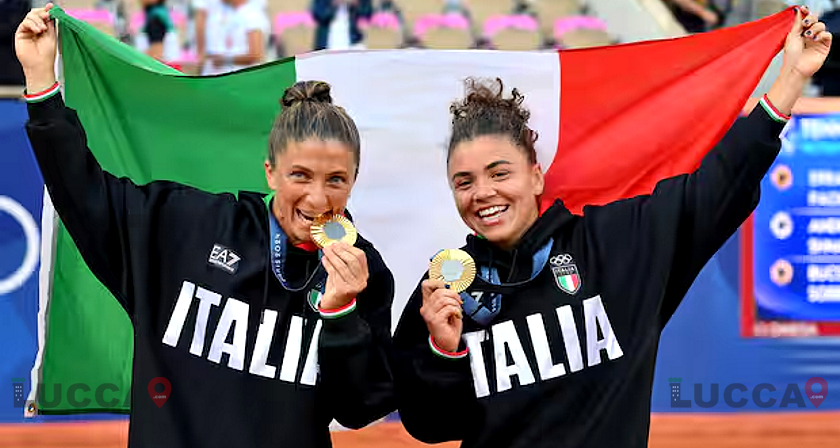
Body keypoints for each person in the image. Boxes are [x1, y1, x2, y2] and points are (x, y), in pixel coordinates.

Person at [393, 6, 830, 448]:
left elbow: (718, 184)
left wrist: (791, 77)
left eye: (499, 173)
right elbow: (429, 425)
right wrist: (442, 350)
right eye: (463, 182)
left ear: (536, 175)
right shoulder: (446, 289)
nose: (482, 192)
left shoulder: (617, 244)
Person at [15, 4, 395, 447]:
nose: (317, 198)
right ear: (270, 172)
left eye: (336, 180)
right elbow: (86, 196)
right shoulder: (188, 227)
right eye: (300, 176)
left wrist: (341, 314)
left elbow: (359, 409)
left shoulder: (362, 271)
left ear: (353, 181)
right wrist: (42, 83)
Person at [201, 0, 268, 75]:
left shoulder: (253, 15)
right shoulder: (225, 12)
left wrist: (223, 60)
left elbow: (255, 55)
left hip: (239, 80)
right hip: (219, 78)